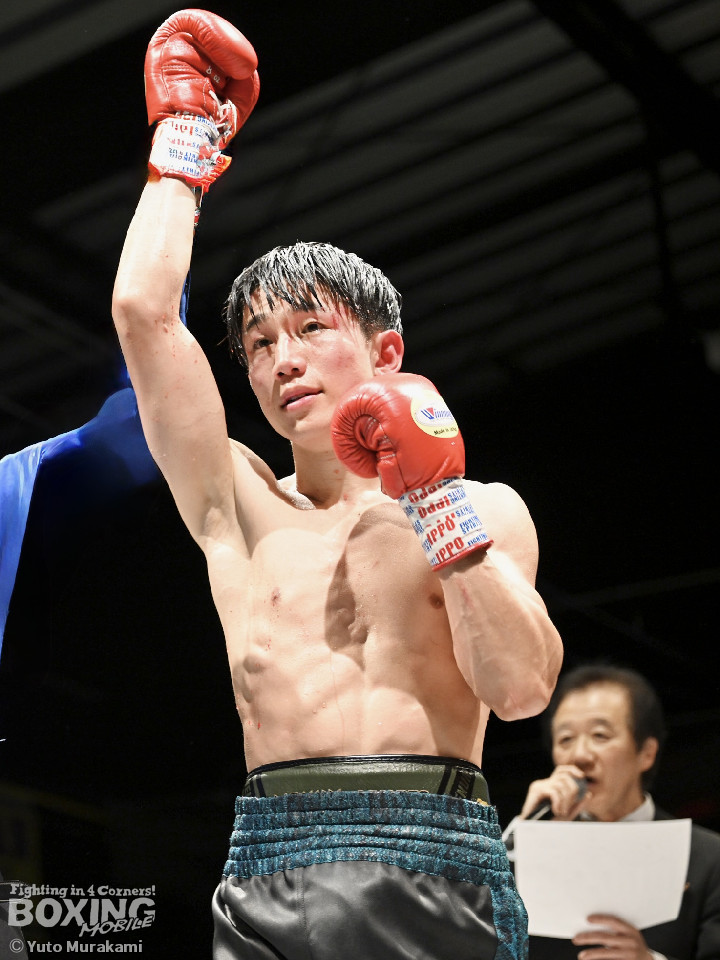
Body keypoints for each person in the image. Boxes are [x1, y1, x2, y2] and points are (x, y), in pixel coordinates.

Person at [111, 9, 564, 960]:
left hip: (438, 860)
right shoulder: (235, 504)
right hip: (268, 866)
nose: (283, 359)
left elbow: (522, 690)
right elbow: (143, 312)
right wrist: (183, 145)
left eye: (311, 329)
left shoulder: (485, 508)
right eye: (259, 344)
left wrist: (436, 504)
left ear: (386, 351)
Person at [503, 663, 720, 960]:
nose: (580, 755)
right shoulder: (526, 851)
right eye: (565, 739)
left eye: (600, 735)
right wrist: (526, 832)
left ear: (646, 753)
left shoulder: (708, 857)